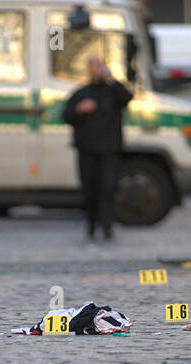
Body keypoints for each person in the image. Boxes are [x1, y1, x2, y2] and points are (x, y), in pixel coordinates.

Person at [62, 54, 133, 243]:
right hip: (87, 150)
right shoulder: (81, 93)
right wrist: (79, 110)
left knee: (108, 188)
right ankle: (91, 225)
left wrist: (112, 79)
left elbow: (127, 98)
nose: (97, 69)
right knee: (89, 189)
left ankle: (108, 226)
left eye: (100, 65)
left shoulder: (113, 92)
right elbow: (66, 115)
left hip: (109, 151)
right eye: (94, 65)